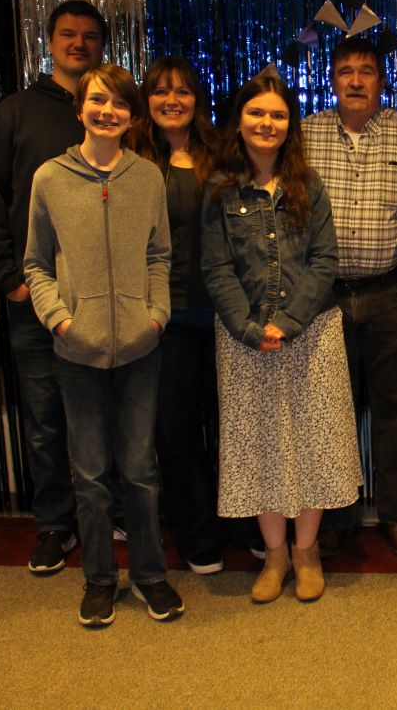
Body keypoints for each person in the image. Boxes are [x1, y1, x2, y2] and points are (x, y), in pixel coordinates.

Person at [22, 63, 181, 627]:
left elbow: (159, 255)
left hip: (140, 348)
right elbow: (36, 264)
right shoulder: (51, 178)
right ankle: (98, 579)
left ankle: (150, 575)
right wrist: (61, 320)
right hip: (77, 352)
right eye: (97, 101)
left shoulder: (147, 177)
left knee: (139, 471)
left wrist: (155, 316)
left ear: (132, 116)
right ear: (80, 108)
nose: (107, 111)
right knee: (89, 475)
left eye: (118, 103)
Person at [201, 74, 362, 604]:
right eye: (257, 113)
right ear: (239, 121)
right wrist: (250, 328)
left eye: (277, 115)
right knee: (260, 446)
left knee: (314, 443)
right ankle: (274, 555)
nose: (266, 123)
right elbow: (216, 267)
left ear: (290, 126)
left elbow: (324, 260)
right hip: (243, 337)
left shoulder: (307, 185)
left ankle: (306, 551)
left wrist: (288, 322)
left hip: (311, 332)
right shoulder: (220, 188)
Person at [0, 0, 109, 574]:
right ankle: (55, 524)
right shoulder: (15, 113)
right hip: (35, 299)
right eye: (68, 35)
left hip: (104, 300)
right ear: (49, 42)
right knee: (45, 418)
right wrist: (10, 280)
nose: (78, 44)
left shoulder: (112, 113)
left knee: (106, 416)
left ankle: (109, 513)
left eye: (89, 36)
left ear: (102, 46)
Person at [128, 57, 263, 574]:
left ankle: (247, 526)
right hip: (166, 320)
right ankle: (197, 535)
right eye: (161, 91)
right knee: (176, 432)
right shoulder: (132, 157)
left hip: (229, 315)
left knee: (240, 431)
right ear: (147, 99)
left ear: (197, 99)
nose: (172, 101)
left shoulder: (222, 153)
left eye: (183, 91)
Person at [304, 37, 397, 556]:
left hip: (389, 294)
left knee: (396, 410)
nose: (355, 81)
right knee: (330, 412)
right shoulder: (305, 135)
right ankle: (336, 516)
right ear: (332, 79)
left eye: (366, 71)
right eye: (345, 71)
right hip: (323, 297)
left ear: (382, 80)